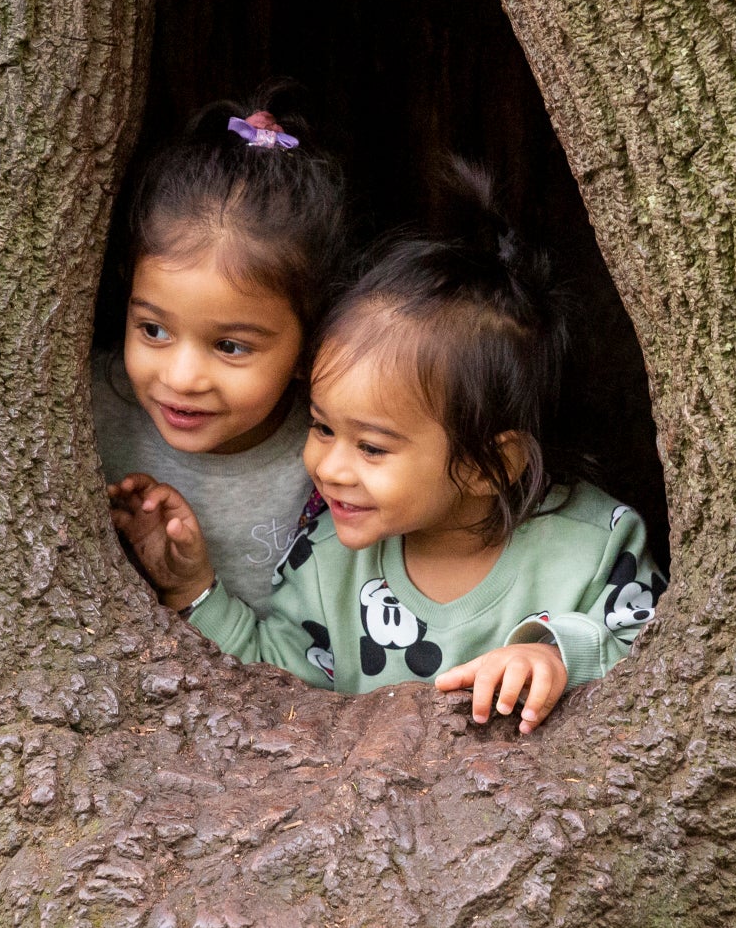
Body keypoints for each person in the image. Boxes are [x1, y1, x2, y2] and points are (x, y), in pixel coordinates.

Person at [117, 166, 659, 734]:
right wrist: (193, 589)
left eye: (371, 447)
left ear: (489, 465)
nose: (327, 468)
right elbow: (273, 680)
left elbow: (661, 657)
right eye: (322, 428)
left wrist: (554, 656)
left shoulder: (594, 545)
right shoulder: (327, 559)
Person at [99, 96, 349, 612]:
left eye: (230, 346)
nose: (183, 377)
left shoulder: (337, 457)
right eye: (153, 329)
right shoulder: (77, 415)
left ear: (310, 348)